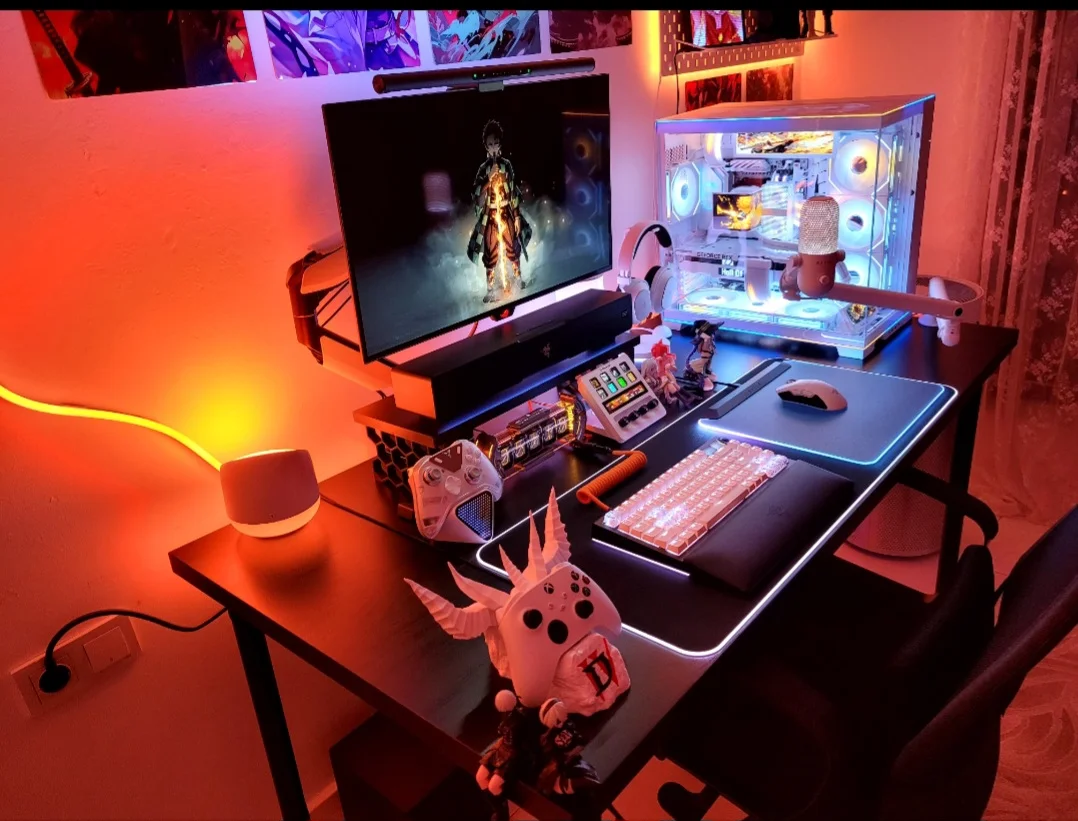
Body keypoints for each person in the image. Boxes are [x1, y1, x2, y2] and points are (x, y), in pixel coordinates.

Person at [468, 120, 533, 303]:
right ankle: (490, 290)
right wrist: (488, 179)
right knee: (491, 254)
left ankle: (518, 280)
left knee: (513, 248)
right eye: (490, 144)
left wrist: (517, 217)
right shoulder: (483, 169)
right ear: (486, 147)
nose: (493, 147)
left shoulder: (507, 165)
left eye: (496, 143)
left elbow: (513, 193)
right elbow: (477, 197)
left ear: (500, 144)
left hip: (506, 213)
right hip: (490, 217)